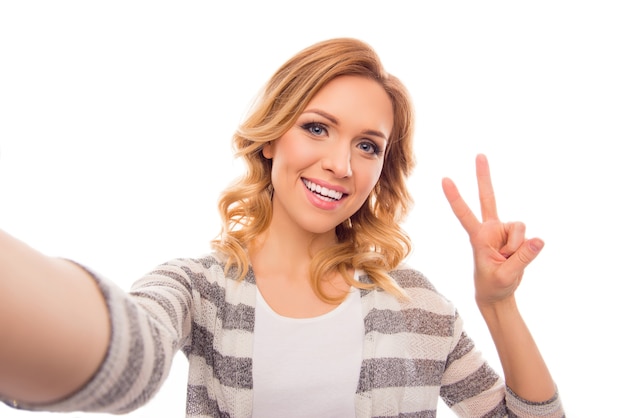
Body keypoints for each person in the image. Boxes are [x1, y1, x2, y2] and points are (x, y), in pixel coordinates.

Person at [0, 38, 564, 417]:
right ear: (271, 137)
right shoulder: (199, 290)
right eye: (318, 128)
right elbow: (129, 357)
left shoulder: (416, 304)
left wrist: (499, 304)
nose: (341, 165)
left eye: (367, 146)